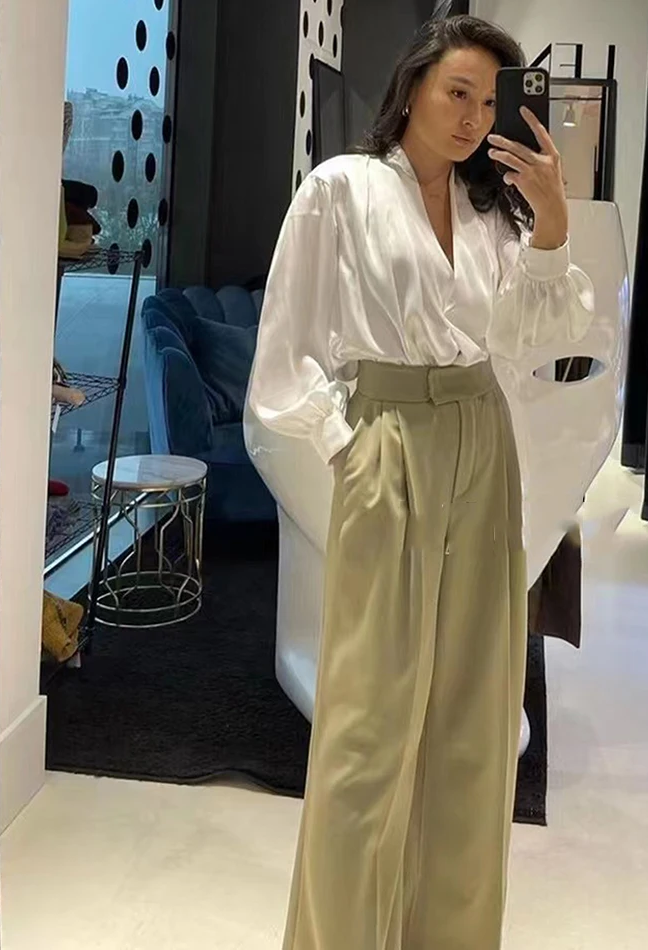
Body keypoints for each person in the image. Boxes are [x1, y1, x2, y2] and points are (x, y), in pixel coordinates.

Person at [247, 14, 594, 950]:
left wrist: (554, 222)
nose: (475, 117)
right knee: (367, 726)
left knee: (476, 720)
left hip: (483, 441)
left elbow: (543, 335)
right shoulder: (342, 190)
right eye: (458, 92)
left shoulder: (492, 215)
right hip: (388, 438)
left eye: (489, 101)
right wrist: (350, 446)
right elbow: (285, 359)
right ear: (411, 88)